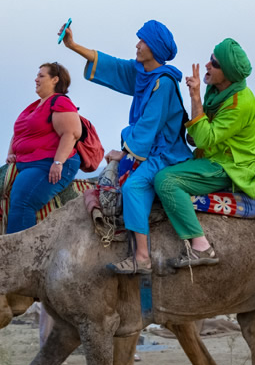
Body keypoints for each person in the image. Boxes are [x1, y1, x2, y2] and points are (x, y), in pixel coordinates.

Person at [62, 20, 191, 274]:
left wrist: (125, 151)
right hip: (146, 148)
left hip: (163, 152)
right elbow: (113, 66)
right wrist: (73, 45)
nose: (137, 44)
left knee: (132, 186)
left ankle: (141, 258)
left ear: (153, 48)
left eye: (142, 41)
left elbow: (148, 126)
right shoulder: (143, 73)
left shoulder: (162, 83)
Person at [153, 38, 255, 267]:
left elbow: (204, 137)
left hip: (229, 165)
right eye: (210, 58)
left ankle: (201, 246)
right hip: (210, 154)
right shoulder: (217, 91)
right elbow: (199, 133)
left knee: (165, 181)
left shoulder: (239, 103)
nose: (207, 64)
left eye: (214, 63)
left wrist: (195, 96)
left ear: (229, 74)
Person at [4, 62, 83, 233]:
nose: (36, 79)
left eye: (41, 76)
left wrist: (58, 163)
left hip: (48, 163)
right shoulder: (35, 105)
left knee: (22, 200)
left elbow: (71, 133)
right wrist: (11, 153)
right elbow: (18, 132)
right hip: (28, 162)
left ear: (55, 79)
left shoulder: (60, 102)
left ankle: (20, 254)